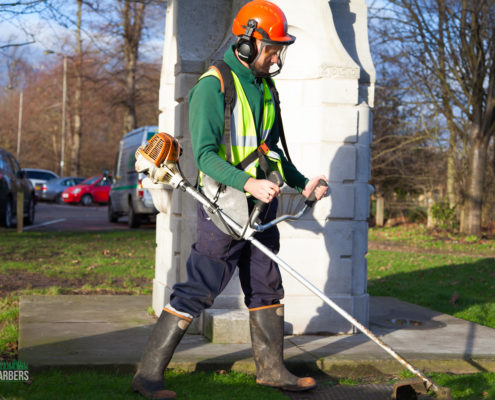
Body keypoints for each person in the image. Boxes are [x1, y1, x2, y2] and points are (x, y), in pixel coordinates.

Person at [132, 1, 328, 398]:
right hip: (223, 208)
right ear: (246, 44)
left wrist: (303, 183)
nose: (276, 57)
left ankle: (272, 371)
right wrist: (247, 184)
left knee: (266, 287)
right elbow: (204, 156)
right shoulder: (212, 85)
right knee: (199, 288)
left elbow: (271, 151)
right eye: (271, 48)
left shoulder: (265, 87)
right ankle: (147, 376)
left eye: (279, 49)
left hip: (262, 208)